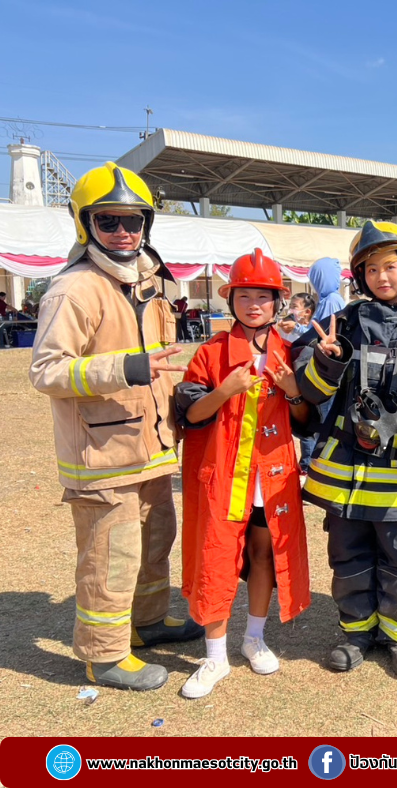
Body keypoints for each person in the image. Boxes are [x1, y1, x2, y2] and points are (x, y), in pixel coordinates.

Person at [29, 162, 203, 691]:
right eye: (108, 220)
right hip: (101, 455)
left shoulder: (150, 280)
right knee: (111, 554)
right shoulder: (73, 289)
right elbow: (46, 370)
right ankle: (104, 655)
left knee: (155, 538)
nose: (124, 231)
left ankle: (146, 622)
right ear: (86, 224)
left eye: (133, 220)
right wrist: (123, 368)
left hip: (151, 447)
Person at [292, 222, 397, 679]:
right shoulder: (341, 324)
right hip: (344, 472)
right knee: (348, 554)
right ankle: (356, 633)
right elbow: (309, 392)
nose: (381, 276)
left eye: (390, 266)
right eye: (371, 269)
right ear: (359, 276)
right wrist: (327, 359)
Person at [175, 249, 310, 699]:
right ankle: (215, 656)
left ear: (278, 302)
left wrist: (293, 391)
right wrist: (224, 390)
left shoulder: (290, 352)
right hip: (223, 476)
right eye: (245, 296)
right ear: (231, 300)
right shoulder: (211, 352)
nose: (254, 305)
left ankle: (254, 637)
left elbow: (308, 420)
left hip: (272, 477)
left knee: (263, 554)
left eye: (263, 296)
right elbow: (190, 414)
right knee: (216, 557)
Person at [299, 258, 347, 476]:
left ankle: (316, 466)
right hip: (322, 367)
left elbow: (322, 336)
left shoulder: (331, 301)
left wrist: (298, 330)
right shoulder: (328, 299)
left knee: (321, 419)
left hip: (326, 369)